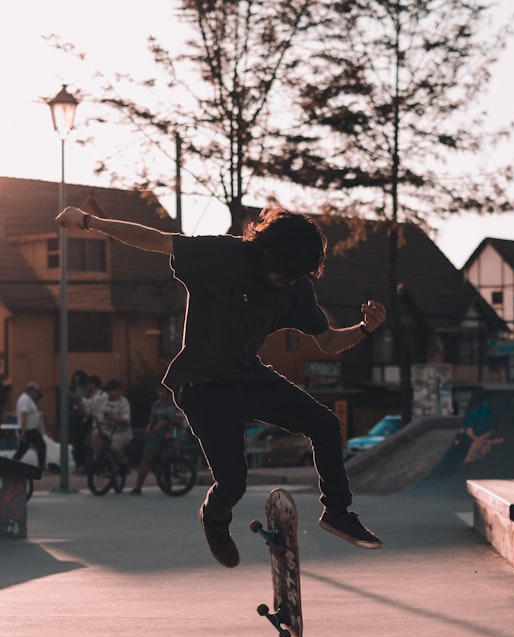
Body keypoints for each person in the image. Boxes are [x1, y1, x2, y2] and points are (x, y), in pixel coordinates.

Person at [56, 204, 388, 568]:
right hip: (202, 385)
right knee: (233, 482)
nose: (289, 283)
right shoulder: (220, 255)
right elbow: (154, 240)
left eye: (297, 278)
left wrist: (365, 329)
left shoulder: (296, 287)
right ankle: (214, 520)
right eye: (285, 276)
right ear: (267, 252)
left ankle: (337, 512)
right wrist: (90, 222)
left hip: (248, 377)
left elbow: (327, 342)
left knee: (325, 424)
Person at [130, 385, 187, 495]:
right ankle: (138, 486)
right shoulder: (157, 404)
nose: (161, 394)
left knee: (172, 441)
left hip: (174, 429)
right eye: (159, 392)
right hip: (159, 431)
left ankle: (176, 464)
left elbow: (179, 419)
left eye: (163, 392)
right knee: (147, 455)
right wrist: (149, 428)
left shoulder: (176, 403)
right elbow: (152, 419)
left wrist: (165, 422)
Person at [89, 378, 132, 473]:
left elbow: (126, 421)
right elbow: (91, 408)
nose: (117, 393)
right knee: (95, 434)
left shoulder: (123, 402)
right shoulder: (101, 400)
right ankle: (98, 460)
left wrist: (113, 418)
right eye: (114, 391)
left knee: (115, 447)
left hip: (120, 433)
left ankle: (124, 464)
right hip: (104, 429)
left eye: (119, 390)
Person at [13, 382, 46, 469]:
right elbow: (24, 415)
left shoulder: (28, 399)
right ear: (31, 391)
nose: (37, 393)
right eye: (36, 391)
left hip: (28, 429)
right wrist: (23, 432)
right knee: (41, 446)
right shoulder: (25, 400)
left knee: (22, 450)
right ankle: (41, 467)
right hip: (29, 429)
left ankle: (12, 464)